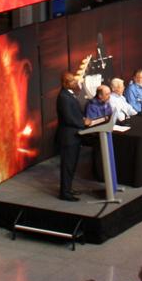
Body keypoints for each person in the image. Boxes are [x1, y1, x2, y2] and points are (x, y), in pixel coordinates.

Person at [58, 71, 104, 201]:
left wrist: (83, 119)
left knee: (72, 165)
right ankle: (65, 193)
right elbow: (68, 118)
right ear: (65, 83)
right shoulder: (63, 97)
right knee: (67, 166)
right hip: (69, 137)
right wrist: (83, 122)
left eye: (74, 80)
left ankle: (68, 188)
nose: (75, 82)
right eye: (72, 81)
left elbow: (75, 114)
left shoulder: (69, 95)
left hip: (75, 136)